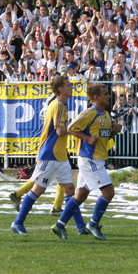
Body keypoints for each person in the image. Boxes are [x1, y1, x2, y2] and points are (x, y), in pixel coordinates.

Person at [10, 75, 86, 236]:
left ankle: (81, 227)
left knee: (69, 189)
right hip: (49, 154)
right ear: (60, 89)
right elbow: (59, 130)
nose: (71, 88)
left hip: (59, 155)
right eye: (68, 85)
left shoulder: (62, 105)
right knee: (38, 189)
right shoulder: (57, 105)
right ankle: (18, 222)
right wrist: (78, 129)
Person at [51, 84, 122, 240]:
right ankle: (93, 224)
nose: (108, 96)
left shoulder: (106, 115)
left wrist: (113, 132)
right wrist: (87, 138)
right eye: (105, 94)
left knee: (80, 196)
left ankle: (60, 225)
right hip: (90, 159)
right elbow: (71, 128)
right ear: (96, 97)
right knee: (109, 193)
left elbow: (103, 138)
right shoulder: (90, 113)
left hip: (97, 159)